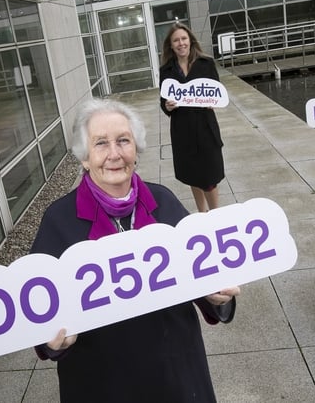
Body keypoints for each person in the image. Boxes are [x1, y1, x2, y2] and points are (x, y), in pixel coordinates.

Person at [31, 98, 240, 402]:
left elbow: (203, 279)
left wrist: (216, 298)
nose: (114, 154)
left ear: (136, 150)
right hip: (103, 381)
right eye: (101, 143)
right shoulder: (59, 220)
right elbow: (36, 311)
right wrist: (53, 342)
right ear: (85, 158)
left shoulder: (164, 201)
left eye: (123, 140)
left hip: (176, 373)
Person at [159, 22, 225, 212]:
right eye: (176, 40)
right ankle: (202, 213)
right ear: (171, 45)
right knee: (193, 175)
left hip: (205, 128)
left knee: (210, 177)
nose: (181, 43)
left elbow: (217, 95)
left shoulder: (206, 64)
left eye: (183, 39)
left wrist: (211, 102)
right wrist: (168, 106)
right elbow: (163, 103)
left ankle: (215, 214)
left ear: (190, 40)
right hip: (183, 130)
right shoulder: (166, 71)